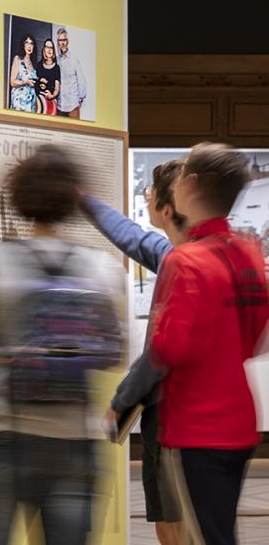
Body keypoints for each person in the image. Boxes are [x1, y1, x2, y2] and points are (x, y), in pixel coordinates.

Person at [0, 145, 124, 545]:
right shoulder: (100, 268)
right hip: (75, 441)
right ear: (74, 201)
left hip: (1, 434)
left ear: (18, 198)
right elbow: (115, 352)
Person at [149, 142, 269, 545]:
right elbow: (256, 335)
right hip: (240, 417)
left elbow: (169, 348)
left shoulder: (184, 260)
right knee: (219, 531)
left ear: (193, 186)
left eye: (182, 176)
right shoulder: (249, 254)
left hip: (197, 424)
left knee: (206, 536)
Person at [83, 160, 187, 545]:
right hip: (211, 410)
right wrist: (83, 200)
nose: (145, 195)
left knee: (170, 519)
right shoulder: (184, 255)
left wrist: (121, 400)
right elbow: (130, 235)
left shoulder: (180, 264)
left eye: (152, 192)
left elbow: (163, 351)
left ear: (167, 208)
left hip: (173, 414)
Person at [55, 28, 87, 119]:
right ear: (58, 42)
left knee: (75, 132)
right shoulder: (56, 61)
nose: (62, 43)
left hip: (73, 106)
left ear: (67, 41)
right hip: (60, 106)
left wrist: (79, 99)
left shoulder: (74, 59)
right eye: (60, 40)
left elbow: (82, 81)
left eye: (64, 40)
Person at [9, 34, 38, 113]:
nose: (29, 46)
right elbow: (12, 82)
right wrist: (26, 82)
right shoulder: (18, 59)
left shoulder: (33, 63)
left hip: (31, 102)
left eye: (31, 43)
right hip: (20, 102)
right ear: (23, 45)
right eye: (27, 43)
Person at [35, 39, 60, 115]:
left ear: (54, 50)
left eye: (51, 47)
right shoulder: (39, 65)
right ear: (44, 50)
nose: (49, 50)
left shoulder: (56, 67)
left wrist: (52, 96)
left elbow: (57, 88)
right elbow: (36, 83)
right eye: (47, 47)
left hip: (51, 102)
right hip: (38, 102)